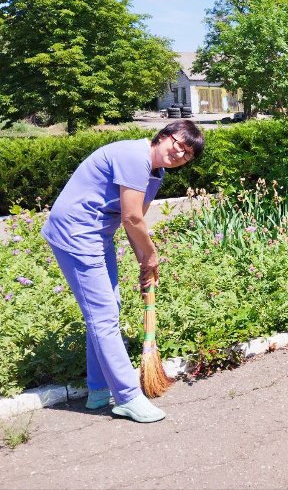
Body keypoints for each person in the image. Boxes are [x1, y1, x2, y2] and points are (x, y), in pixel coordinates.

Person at [41, 120, 205, 422]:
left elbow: (134, 223)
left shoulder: (156, 172)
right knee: (102, 315)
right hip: (75, 234)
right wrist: (152, 255)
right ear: (164, 136)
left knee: (108, 308)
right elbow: (131, 217)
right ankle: (127, 397)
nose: (180, 154)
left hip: (97, 234)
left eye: (187, 155)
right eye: (179, 145)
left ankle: (99, 389)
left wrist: (144, 261)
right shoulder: (135, 157)